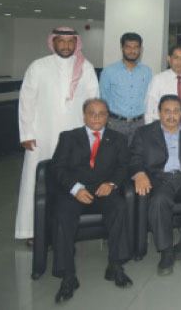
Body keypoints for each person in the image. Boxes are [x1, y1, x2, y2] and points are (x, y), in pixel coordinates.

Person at [16, 27, 99, 242]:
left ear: (76, 43)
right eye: (61, 41)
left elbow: (93, 104)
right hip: (42, 136)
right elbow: (26, 100)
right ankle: (33, 230)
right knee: (37, 183)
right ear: (52, 42)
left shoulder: (86, 68)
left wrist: (92, 135)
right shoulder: (38, 66)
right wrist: (26, 133)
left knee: (71, 182)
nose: (65, 46)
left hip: (74, 139)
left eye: (70, 41)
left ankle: (66, 230)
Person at [49, 98, 133, 302]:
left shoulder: (119, 139)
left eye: (102, 113)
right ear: (84, 115)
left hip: (104, 190)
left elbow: (123, 167)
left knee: (119, 207)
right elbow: (57, 167)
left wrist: (112, 184)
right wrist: (75, 188)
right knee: (62, 215)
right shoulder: (69, 137)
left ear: (108, 117)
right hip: (76, 191)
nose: (97, 117)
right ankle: (68, 276)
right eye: (92, 113)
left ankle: (115, 266)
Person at [130, 95, 181, 276]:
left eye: (176, 111)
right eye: (167, 111)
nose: (171, 116)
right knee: (159, 200)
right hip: (160, 179)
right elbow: (134, 158)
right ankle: (166, 250)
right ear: (159, 112)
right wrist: (139, 173)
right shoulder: (143, 133)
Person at [99, 32, 152, 140]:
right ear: (122, 48)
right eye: (128, 47)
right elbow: (103, 98)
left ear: (140, 49)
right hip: (115, 123)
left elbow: (149, 97)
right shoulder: (109, 71)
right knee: (115, 156)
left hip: (139, 124)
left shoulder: (147, 71)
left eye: (136, 47)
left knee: (137, 156)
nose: (132, 51)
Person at [144, 44, 181, 124]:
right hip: (164, 127)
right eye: (176, 58)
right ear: (169, 59)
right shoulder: (158, 80)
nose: (179, 62)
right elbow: (149, 108)